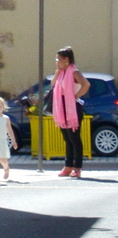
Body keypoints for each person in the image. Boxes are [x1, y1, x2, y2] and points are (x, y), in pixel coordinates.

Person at [51, 47, 89, 178]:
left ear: (66, 59)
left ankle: (77, 167)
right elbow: (53, 84)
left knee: (74, 138)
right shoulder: (61, 73)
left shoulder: (74, 72)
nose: (57, 61)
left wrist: (75, 96)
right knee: (67, 138)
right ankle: (68, 166)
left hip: (73, 108)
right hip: (62, 108)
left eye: (59, 59)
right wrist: (57, 71)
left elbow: (86, 84)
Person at [0, 92, 14, 182]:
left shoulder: (6, 118)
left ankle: (6, 168)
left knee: (2, 159)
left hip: (2, 141)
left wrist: (14, 141)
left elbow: (10, 130)